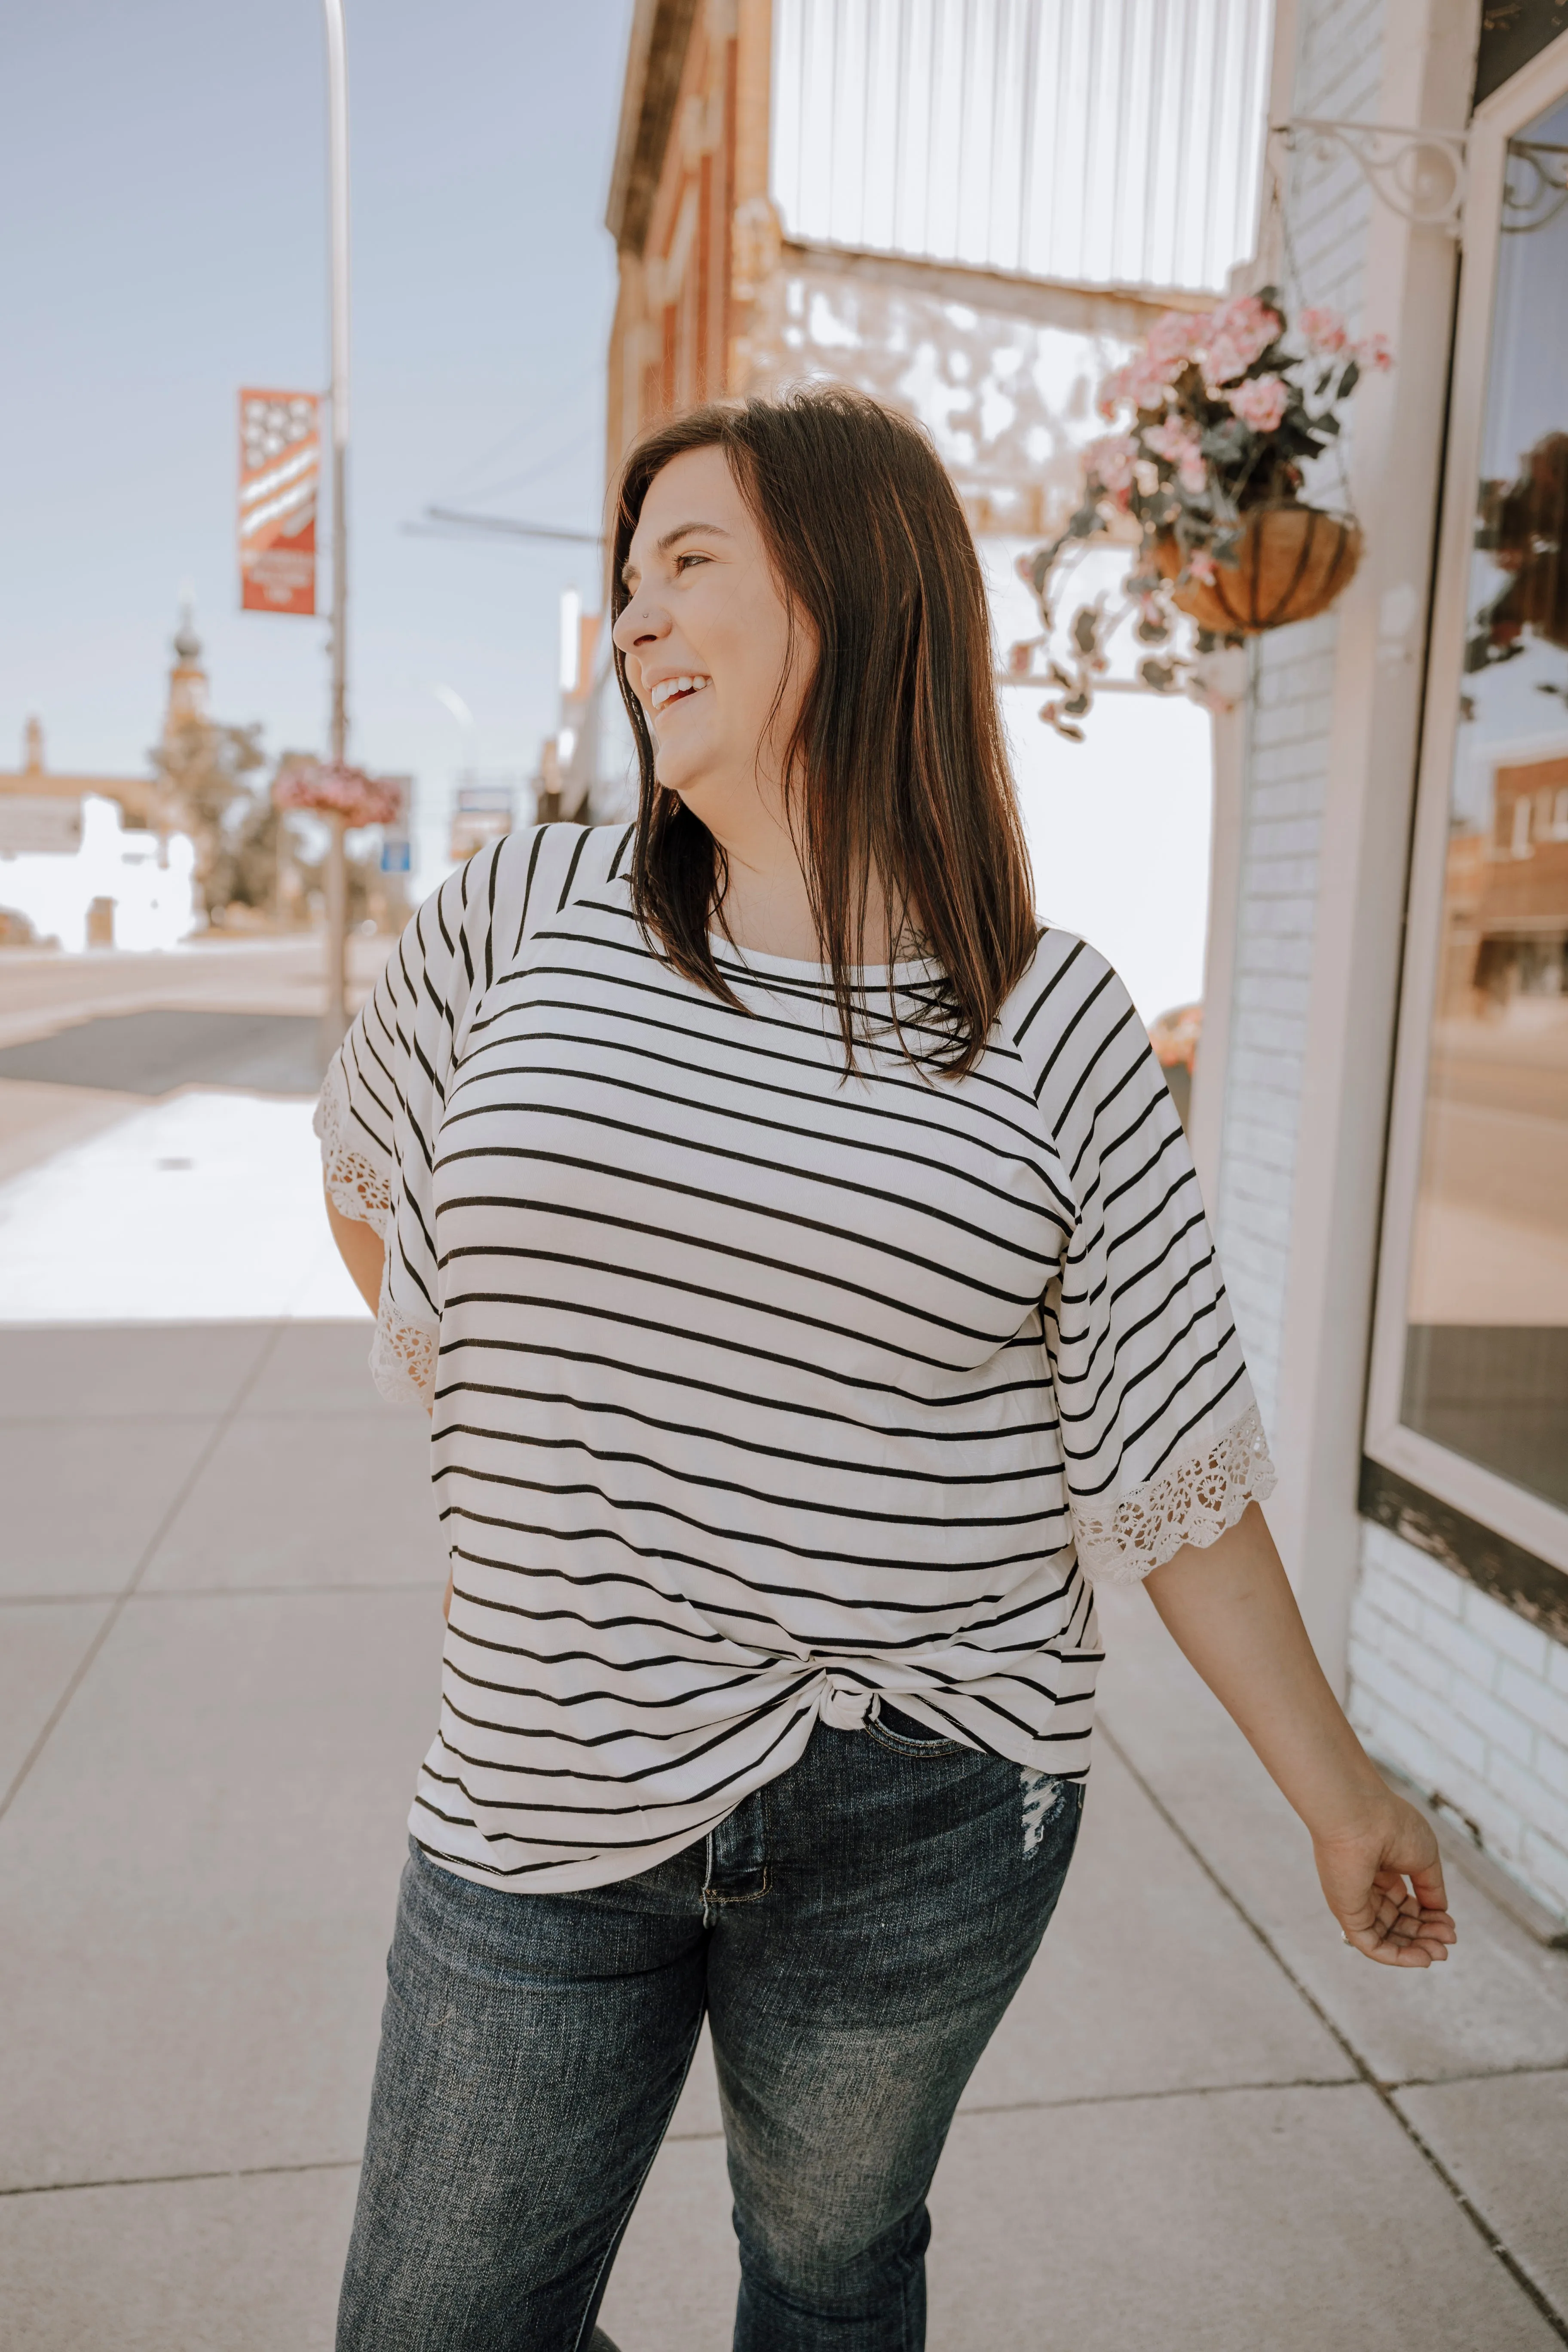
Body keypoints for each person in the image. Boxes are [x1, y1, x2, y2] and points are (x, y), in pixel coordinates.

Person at [321, 386, 1455, 2352]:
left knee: (832, 2275)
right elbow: (376, 1197)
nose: (633, 620)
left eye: (691, 565)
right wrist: (507, 1493)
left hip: (918, 1800)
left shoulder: (1057, 1024)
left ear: (856, 593)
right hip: (541, 1767)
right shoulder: (519, 916)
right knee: (434, 2325)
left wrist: (1338, 1795)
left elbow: (1170, 1470)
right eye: (626, 579)